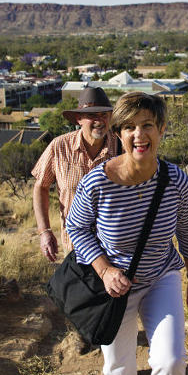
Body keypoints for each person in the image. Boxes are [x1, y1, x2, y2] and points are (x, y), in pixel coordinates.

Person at [65, 92, 188, 375]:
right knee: (119, 370)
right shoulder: (97, 183)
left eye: (147, 125)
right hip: (114, 287)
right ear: (119, 134)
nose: (139, 135)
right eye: (129, 127)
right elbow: (75, 227)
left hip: (160, 278)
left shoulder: (175, 181)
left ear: (161, 129)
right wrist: (104, 270)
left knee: (171, 360)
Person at [32, 86, 119, 262]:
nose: (99, 121)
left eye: (103, 115)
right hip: (74, 246)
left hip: (115, 248)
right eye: (92, 115)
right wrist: (45, 232)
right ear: (79, 119)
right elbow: (41, 187)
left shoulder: (121, 148)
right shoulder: (59, 147)